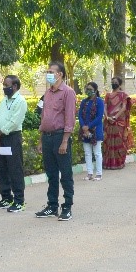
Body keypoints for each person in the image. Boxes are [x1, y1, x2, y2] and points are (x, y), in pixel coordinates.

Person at [35, 61, 76, 221]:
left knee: (65, 174)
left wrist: (65, 140)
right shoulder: (48, 93)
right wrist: (40, 140)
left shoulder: (68, 92)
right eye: (47, 71)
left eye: (51, 71)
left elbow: (70, 118)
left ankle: (67, 207)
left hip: (60, 137)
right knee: (51, 174)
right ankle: (52, 206)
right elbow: (44, 118)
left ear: (60, 74)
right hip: (47, 137)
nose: (48, 74)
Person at [0, 75, 27, 212]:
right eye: (4, 85)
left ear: (15, 86)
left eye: (7, 85)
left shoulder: (20, 101)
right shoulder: (3, 101)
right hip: (0, 138)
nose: (4, 88)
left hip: (12, 137)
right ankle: (6, 197)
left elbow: (15, 122)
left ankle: (19, 200)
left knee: (15, 169)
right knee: (1, 168)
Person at [102, 78, 131, 172]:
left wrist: (114, 117)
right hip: (109, 121)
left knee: (119, 142)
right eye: (112, 83)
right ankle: (108, 163)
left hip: (119, 122)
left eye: (115, 83)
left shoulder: (123, 95)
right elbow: (105, 107)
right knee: (108, 142)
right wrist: (107, 117)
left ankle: (119, 162)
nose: (114, 84)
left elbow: (124, 108)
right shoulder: (108, 95)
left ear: (119, 84)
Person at [78, 82, 104, 182]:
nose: (88, 91)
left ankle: (99, 174)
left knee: (97, 153)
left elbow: (99, 117)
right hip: (84, 130)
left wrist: (89, 126)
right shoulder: (84, 102)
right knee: (87, 153)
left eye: (90, 89)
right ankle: (89, 173)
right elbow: (80, 115)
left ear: (95, 90)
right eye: (86, 89)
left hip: (96, 130)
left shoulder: (99, 102)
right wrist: (83, 126)